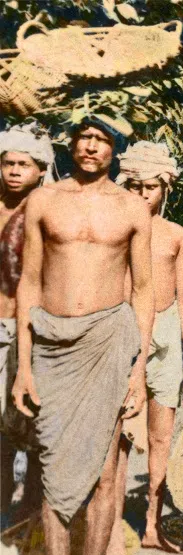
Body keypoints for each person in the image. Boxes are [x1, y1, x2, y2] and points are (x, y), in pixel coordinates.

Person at [12, 113, 153, 555]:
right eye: (83, 137)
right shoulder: (44, 201)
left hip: (108, 345)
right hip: (51, 346)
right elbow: (29, 283)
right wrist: (23, 366)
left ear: (115, 149)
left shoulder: (132, 207)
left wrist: (138, 369)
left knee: (104, 475)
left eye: (101, 139)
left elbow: (143, 291)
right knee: (52, 469)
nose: (91, 146)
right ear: (71, 144)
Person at [103, 141, 183, 555]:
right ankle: (108, 531)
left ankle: (152, 525)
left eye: (151, 187)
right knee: (121, 437)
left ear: (165, 188)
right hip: (127, 331)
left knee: (162, 434)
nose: (143, 194)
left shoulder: (175, 234)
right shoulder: (115, 230)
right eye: (135, 186)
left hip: (168, 332)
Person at [0, 122, 55, 525]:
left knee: (33, 422)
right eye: (8, 163)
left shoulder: (48, 212)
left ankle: (31, 510)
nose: (15, 171)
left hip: (33, 330)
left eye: (24, 164)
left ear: (40, 170)